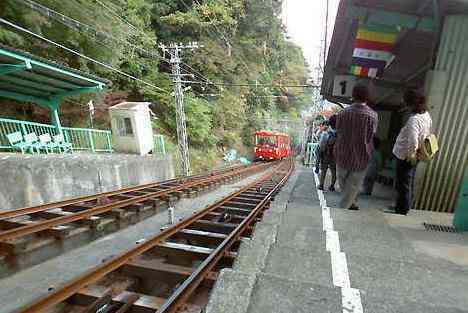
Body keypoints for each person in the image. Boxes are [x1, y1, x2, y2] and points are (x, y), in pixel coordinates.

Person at [335, 84, 378, 210]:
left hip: (342, 152)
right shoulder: (373, 115)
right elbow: (372, 135)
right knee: (353, 185)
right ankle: (347, 205)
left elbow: (338, 131)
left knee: (343, 182)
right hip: (362, 155)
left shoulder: (342, 113)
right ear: (367, 97)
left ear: (353, 95)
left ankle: (345, 206)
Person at [390, 89, 432, 215]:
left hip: (406, 156)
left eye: (406, 101)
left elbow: (413, 139)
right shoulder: (426, 115)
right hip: (416, 154)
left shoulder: (414, 119)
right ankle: (404, 206)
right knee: (408, 181)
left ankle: (402, 209)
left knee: (403, 183)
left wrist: (411, 154)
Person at [318, 118, 337, 191]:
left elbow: (321, 145)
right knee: (334, 171)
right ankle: (332, 186)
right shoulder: (339, 134)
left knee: (324, 170)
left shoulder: (326, 133)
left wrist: (321, 154)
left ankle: (321, 185)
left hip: (326, 154)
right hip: (335, 156)